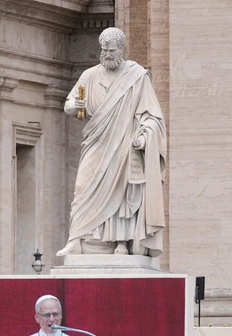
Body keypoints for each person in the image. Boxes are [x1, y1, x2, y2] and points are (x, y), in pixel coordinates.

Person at [55, 27, 166, 258]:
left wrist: (145, 135)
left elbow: (152, 116)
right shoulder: (89, 76)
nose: (106, 54)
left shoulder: (136, 76)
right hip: (96, 142)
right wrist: (74, 106)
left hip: (124, 145)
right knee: (82, 188)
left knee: (121, 193)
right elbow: (70, 104)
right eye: (103, 50)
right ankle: (77, 239)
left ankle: (121, 243)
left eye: (111, 50)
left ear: (120, 49)